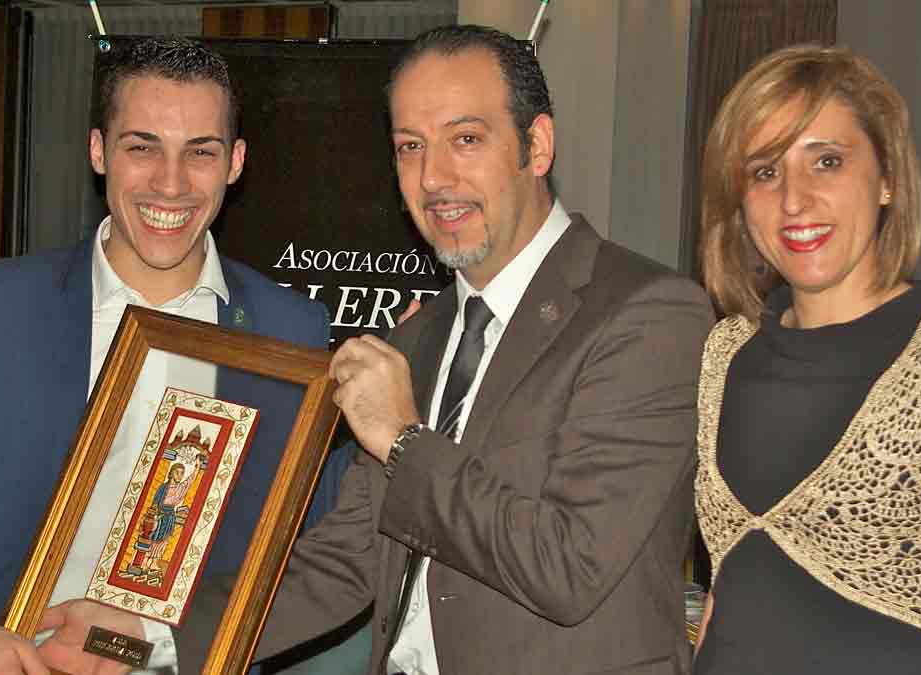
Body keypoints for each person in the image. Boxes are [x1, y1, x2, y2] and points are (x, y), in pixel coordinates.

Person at [207, 25, 714, 675]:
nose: (434, 177)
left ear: (538, 145)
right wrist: (142, 637)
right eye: (409, 146)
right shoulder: (418, 337)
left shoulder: (649, 313)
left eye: (466, 139)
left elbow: (569, 564)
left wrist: (404, 437)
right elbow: (345, 561)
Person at [0, 37, 347, 675]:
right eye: (142, 147)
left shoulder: (292, 330)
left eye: (200, 152)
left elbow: (322, 540)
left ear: (236, 162)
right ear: (98, 151)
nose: (171, 184)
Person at [693, 44, 921, 673]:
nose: (794, 200)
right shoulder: (725, 356)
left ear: (887, 179)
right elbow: (733, 587)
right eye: (765, 172)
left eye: (826, 161)